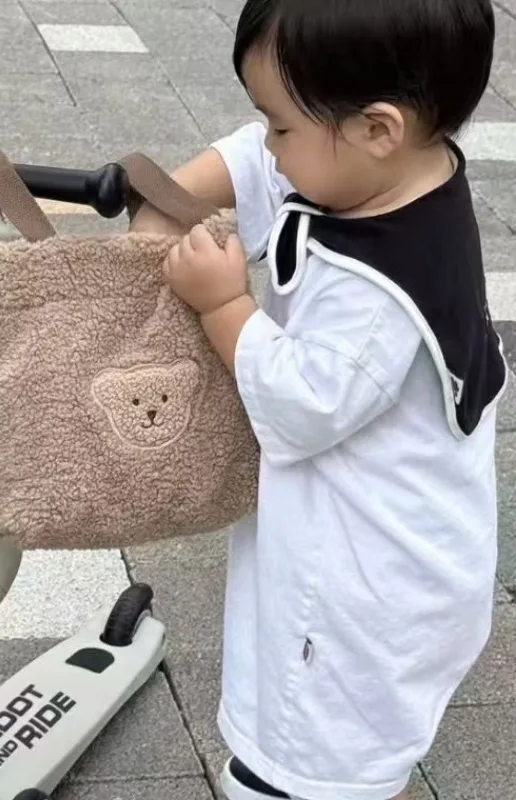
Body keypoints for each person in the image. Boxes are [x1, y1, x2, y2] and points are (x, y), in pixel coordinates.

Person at [130, 1, 507, 798]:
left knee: (306, 760)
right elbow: (260, 163)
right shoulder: (396, 175)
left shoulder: (378, 293)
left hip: (360, 595)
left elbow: (301, 400)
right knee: (361, 761)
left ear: (378, 128)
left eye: (279, 125)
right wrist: (174, 195)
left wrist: (222, 304)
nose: (269, 144)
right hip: (409, 560)